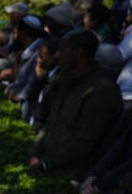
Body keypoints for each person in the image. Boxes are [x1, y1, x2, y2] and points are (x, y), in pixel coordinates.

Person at [29, 29, 123, 179]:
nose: (57, 55)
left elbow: (86, 143)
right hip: (50, 169)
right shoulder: (67, 80)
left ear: (78, 52)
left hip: (73, 177)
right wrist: (36, 153)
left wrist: (47, 163)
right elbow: (51, 123)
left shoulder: (101, 91)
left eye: (62, 50)